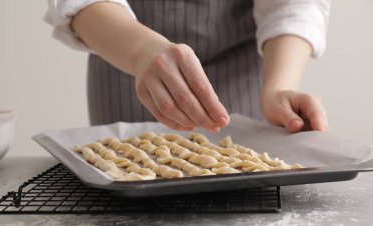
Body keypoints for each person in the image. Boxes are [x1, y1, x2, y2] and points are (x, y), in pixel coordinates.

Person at [45, 0, 330, 133]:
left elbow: (293, 4)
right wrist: (143, 52)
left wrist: (279, 87)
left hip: (246, 81)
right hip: (126, 66)